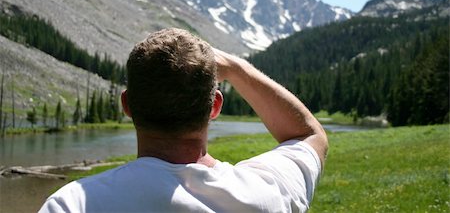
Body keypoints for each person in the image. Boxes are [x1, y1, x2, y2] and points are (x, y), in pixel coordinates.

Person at [39, 28, 328, 213]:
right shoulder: (266, 194)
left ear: (127, 105)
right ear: (214, 107)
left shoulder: (73, 204)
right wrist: (237, 69)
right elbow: (309, 135)